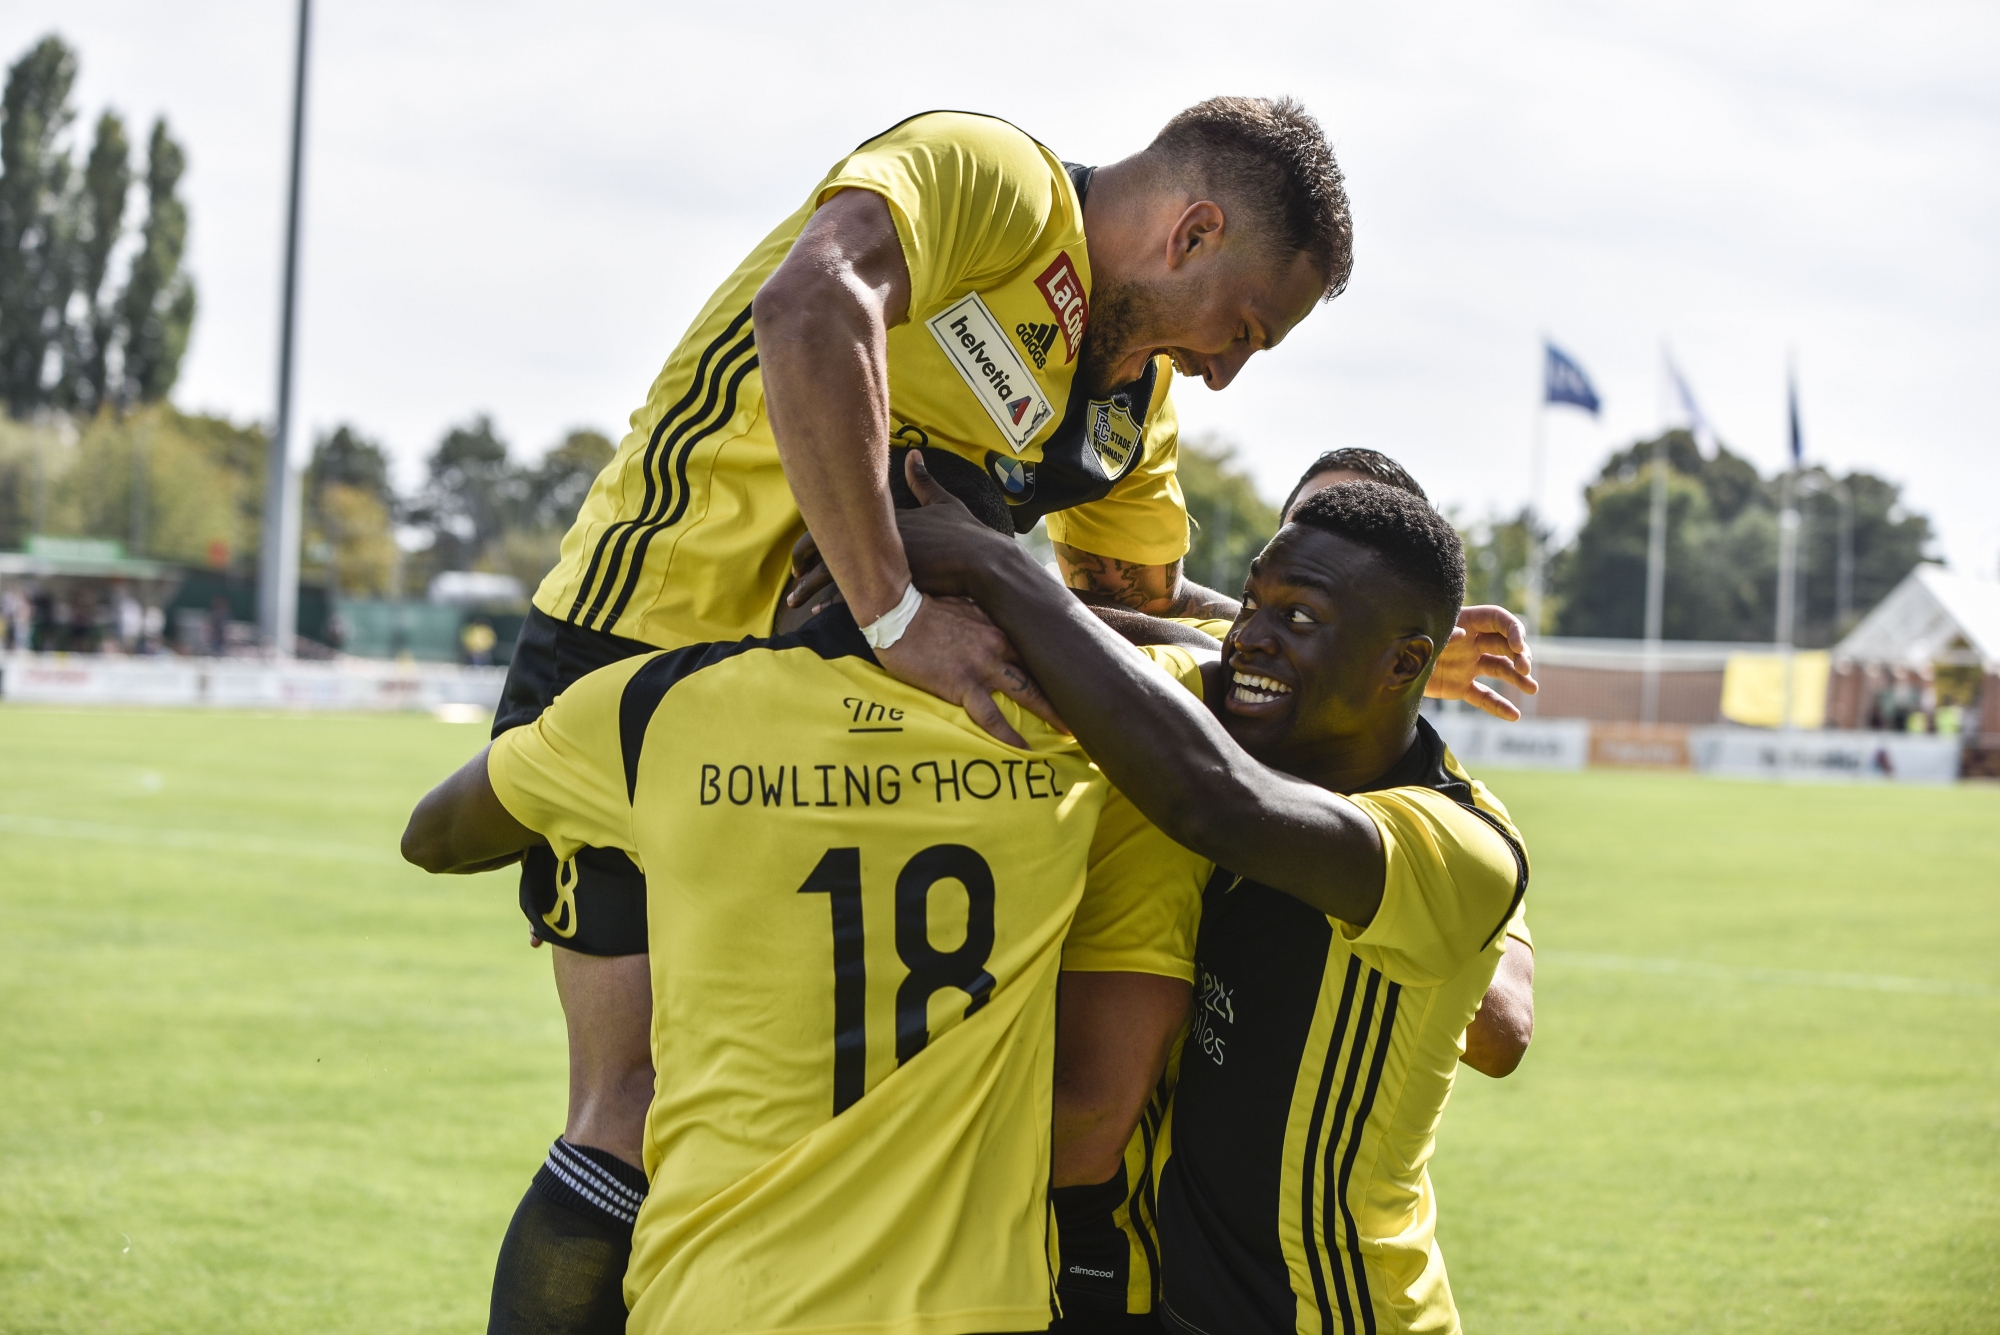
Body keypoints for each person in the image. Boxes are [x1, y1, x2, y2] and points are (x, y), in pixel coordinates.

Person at [482, 94, 1535, 1333]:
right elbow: (808, 306)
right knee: (634, 1108)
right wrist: (893, 612)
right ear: (1191, 231)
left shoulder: (1127, 406)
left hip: (838, 734)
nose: (1227, 368)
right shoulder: (991, 179)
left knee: (767, 1111)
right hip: (648, 651)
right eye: (1244, 327)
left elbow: (1121, 607)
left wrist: (1365, 654)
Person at [402, 452, 1212, 1335]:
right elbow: (1213, 652)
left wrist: (605, 830)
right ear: (1000, 585)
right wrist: (1034, 604)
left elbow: (435, 835)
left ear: (801, 568)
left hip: (714, 1300)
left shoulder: (654, 711)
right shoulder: (1083, 736)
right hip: (972, 1307)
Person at [895, 457, 1531, 1334]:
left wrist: (992, 565)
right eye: (1253, 602)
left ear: (1405, 662)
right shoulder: (1239, 723)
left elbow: (1217, 803)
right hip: (1177, 1301)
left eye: (1299, 617)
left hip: (1336, 1313)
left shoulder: (1459, 844)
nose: (1251, 637)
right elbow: (1149, 651)